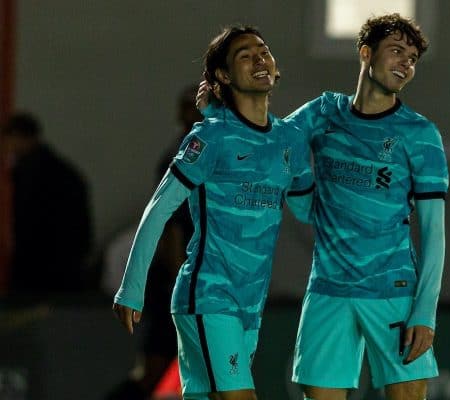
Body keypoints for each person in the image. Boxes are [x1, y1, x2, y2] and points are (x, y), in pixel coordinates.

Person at [194, 12, 448, 400]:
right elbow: (271, 146)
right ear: (365, 53)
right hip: (328, 291)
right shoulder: (324, 112)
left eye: (412, 58)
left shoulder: (420, 134)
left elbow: (434, 231)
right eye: (396, 51)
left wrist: (424, 312)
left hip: (393, 291)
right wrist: (219, 120)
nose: (405, 63)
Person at [113, 25, 314, 400]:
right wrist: (132, 288)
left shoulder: (290, 140)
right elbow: (158, 212)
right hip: (208, 295)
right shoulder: (211, 137)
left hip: (250, 304)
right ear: (224, 75)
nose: (259, 58)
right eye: (244, 55)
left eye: (263, 51)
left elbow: (307, 209)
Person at [105, 86, 200, 400]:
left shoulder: (205, 151)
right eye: (189, 107)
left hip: (194, 278)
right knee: (155, 369)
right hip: (177, 283)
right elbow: (170, 225)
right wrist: (177, 278)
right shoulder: (178, 157)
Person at [1, 112, 92, 297]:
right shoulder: (63, 171)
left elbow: (28, 224)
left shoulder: (31, 173)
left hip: (40, 267)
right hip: (64, 266)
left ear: (19, 137)